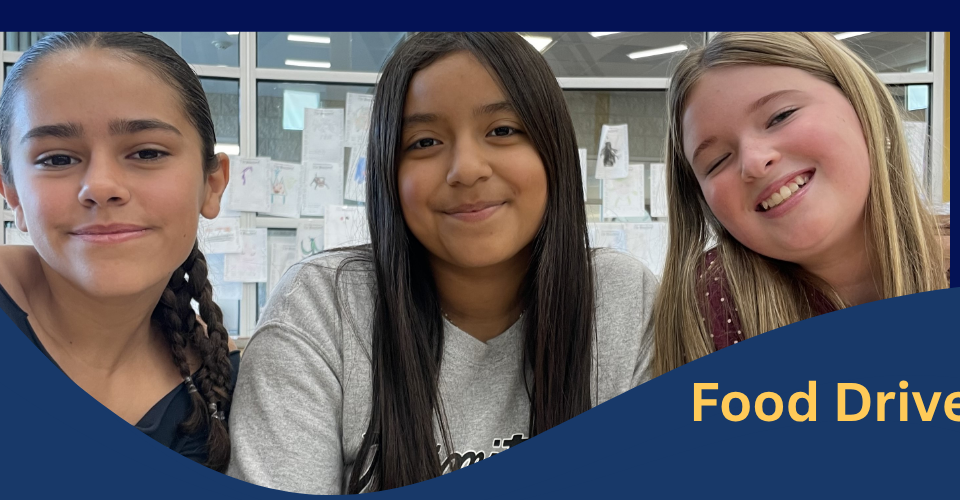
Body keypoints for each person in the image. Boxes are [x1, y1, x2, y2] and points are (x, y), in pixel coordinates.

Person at [227, 32, 655, 494]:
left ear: (553, 148)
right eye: (425, 141)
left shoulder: (621, 297)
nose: (466, 169)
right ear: (388, 171)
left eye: (502, 131)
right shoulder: (322, 308)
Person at [0, 32, 239, 471]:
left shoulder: (222, 387)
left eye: (147, 152)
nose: (102, 187)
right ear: (12, 194)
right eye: (56, 159)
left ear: (212, 184)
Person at [652, 32, 949, 374]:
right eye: (717, 161)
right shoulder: (708, 307)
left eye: (781, 116)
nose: (753, 162)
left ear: (863, 106)